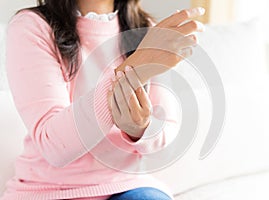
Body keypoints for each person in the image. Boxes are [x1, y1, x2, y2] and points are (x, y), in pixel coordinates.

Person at [1, 0, 205, 199]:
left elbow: (166, 135)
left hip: (128, 186)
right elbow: (54, 147)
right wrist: (136, 66)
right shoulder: (31, 27)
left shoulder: (146, 30)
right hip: (48, 189)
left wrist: (141, 129)